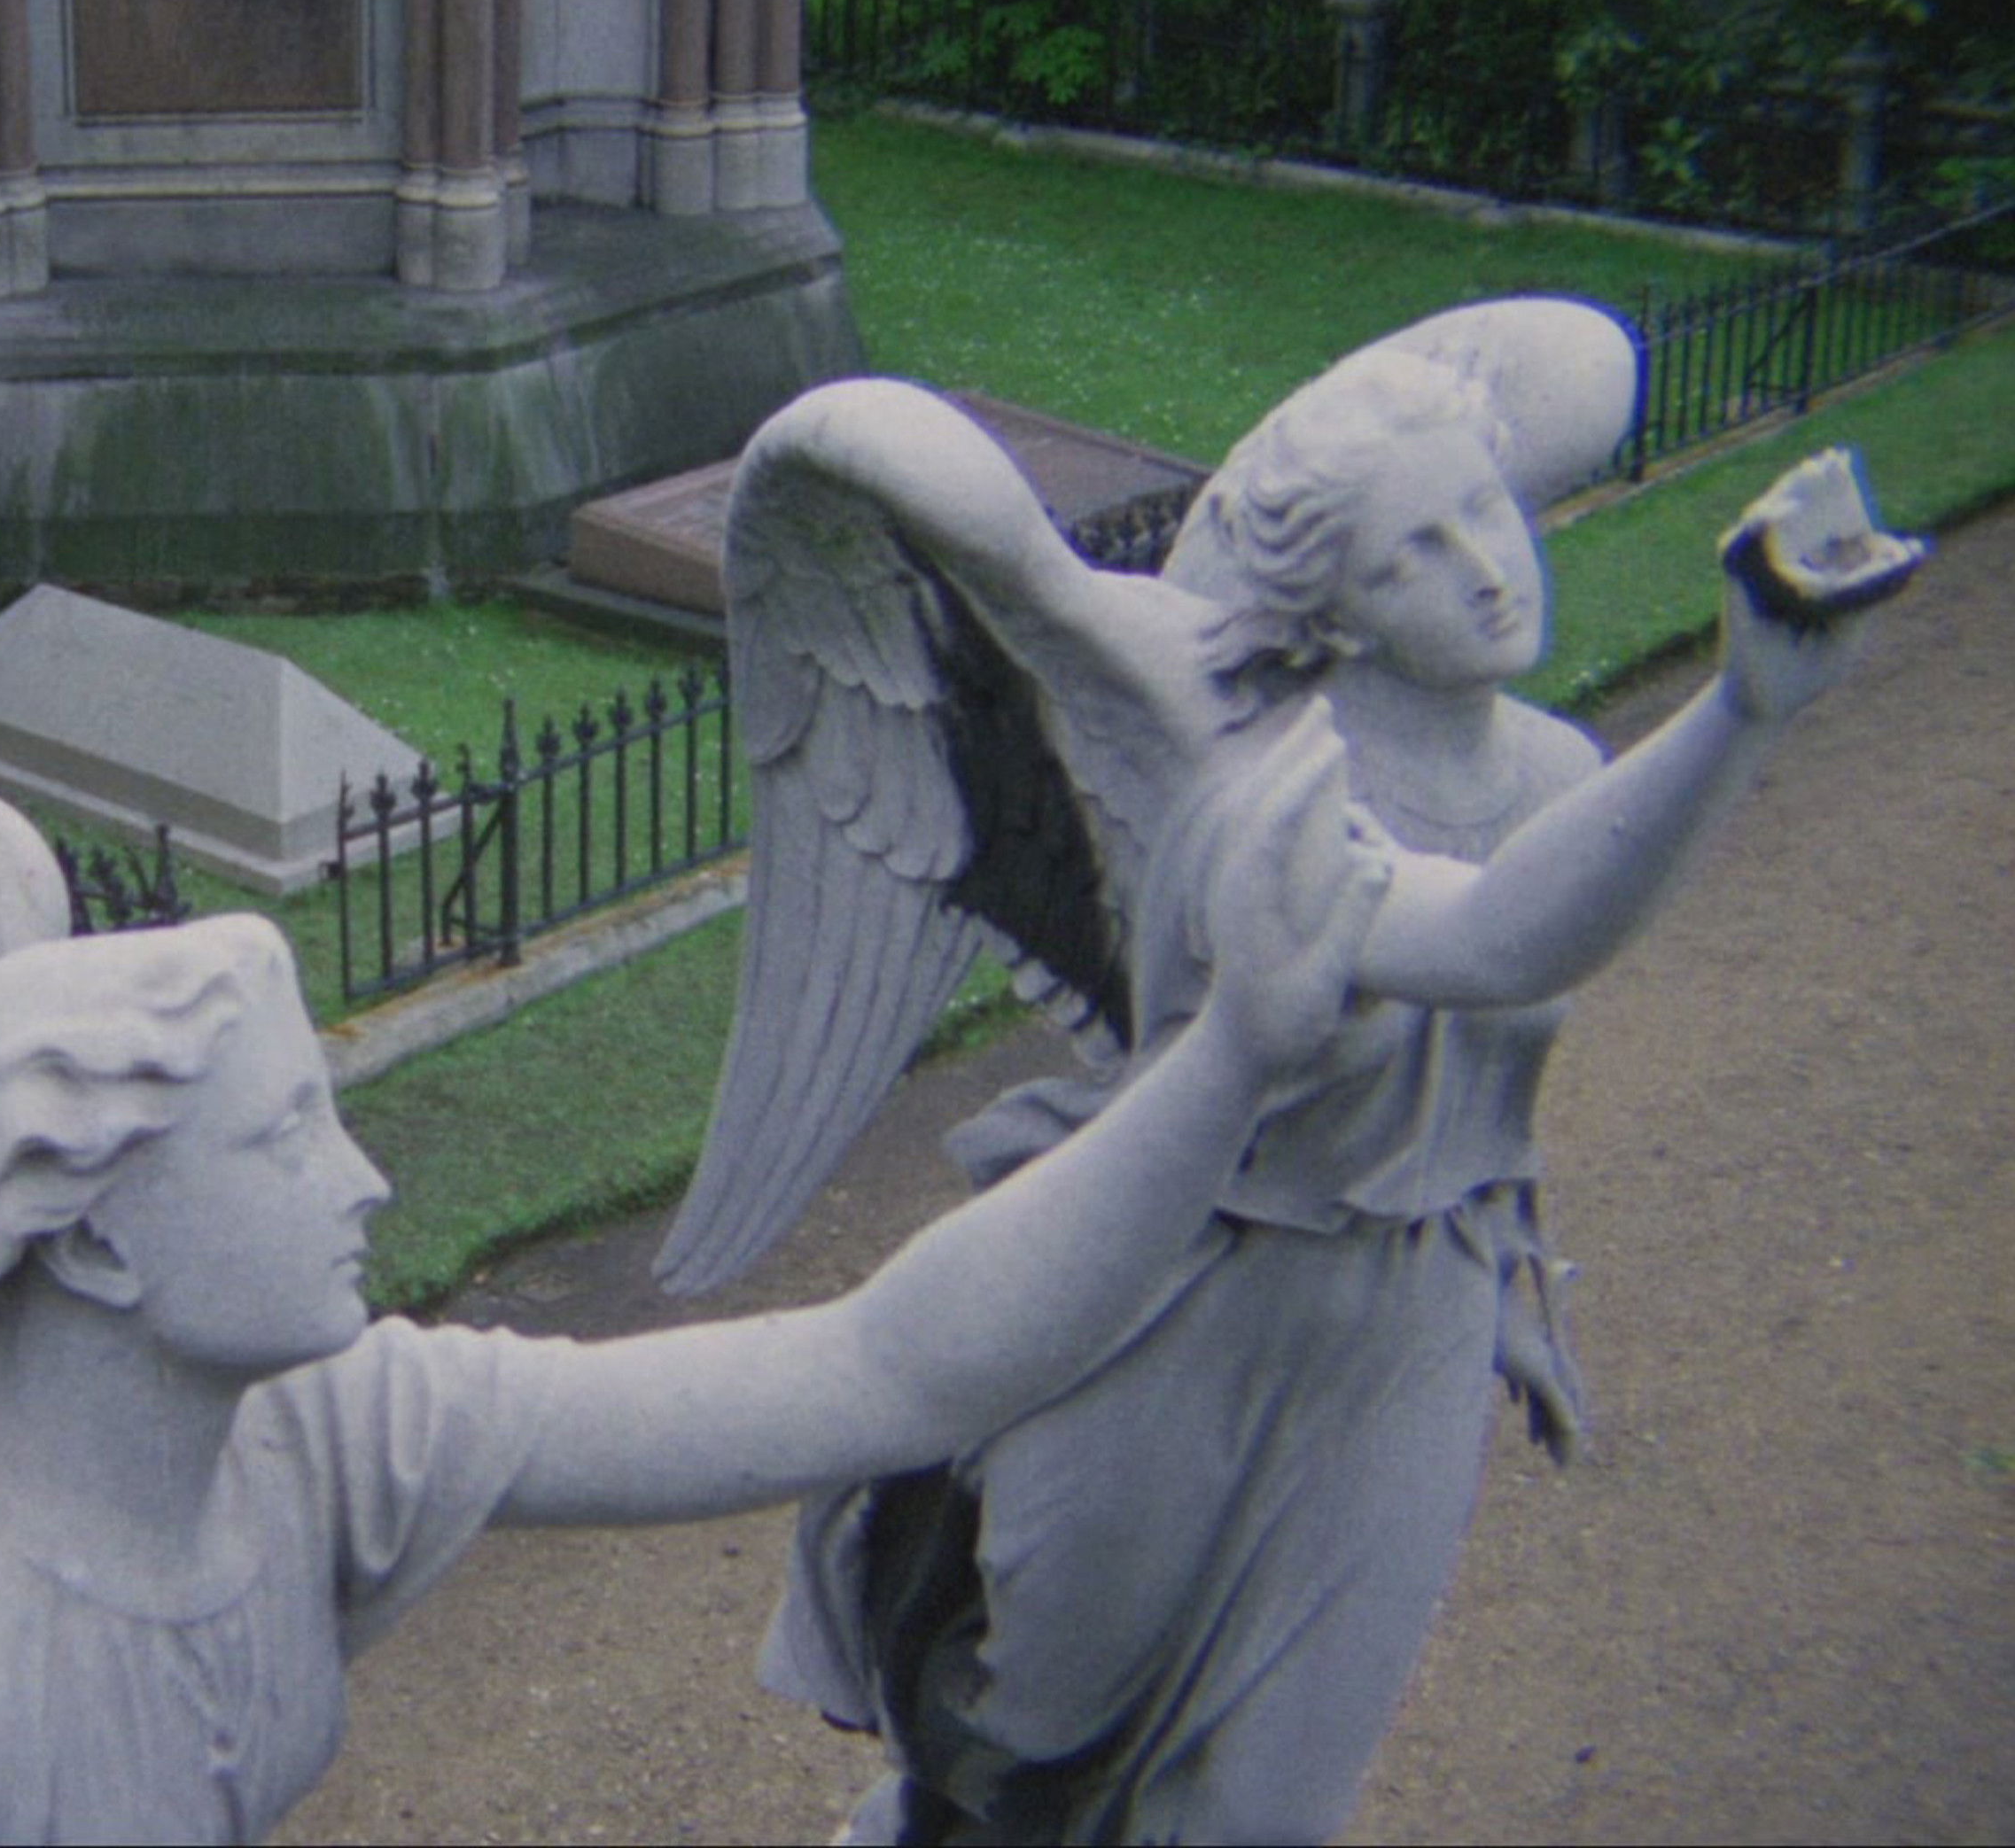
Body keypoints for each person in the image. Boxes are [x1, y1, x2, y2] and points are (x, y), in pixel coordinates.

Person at [0, 713, 1387, 1843]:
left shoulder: (311, 1437)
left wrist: (1230, 1063)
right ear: (105, 1241)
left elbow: (880, 1369)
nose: (363, 1182)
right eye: (289, 1139)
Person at [752, 342, 1897, 1844]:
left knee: (1270, 1812)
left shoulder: (1561, 776)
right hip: (1190, 1289)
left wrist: (1501, 1279)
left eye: (1487, 510)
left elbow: (1489, 1076)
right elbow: (1493, 941)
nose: (1487, 569)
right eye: (1416, 550)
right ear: (1339, 606)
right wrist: (1742, 709)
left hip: (1407, 1315)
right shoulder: (1258, 784)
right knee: (1027, 1741)